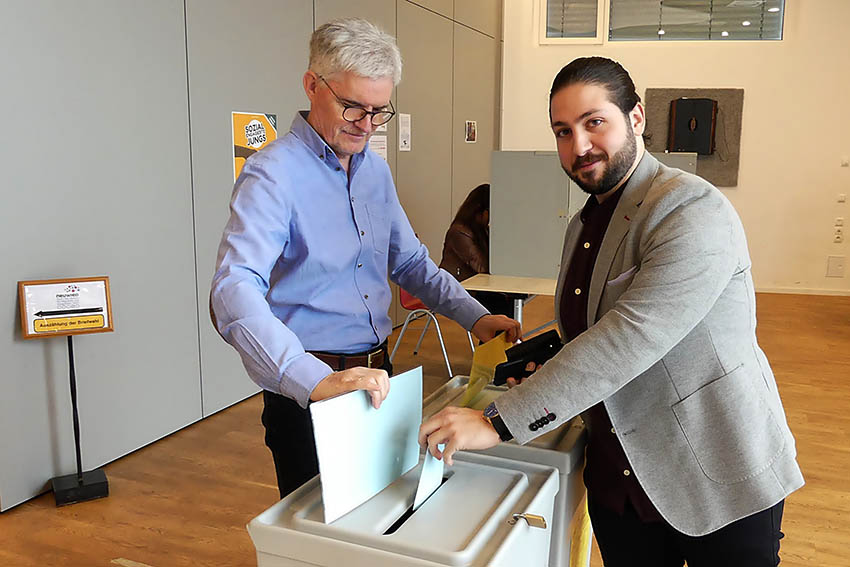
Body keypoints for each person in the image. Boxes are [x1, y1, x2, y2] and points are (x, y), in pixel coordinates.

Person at [419, 57, 803, 566]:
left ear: (636, 118)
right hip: (620, 480)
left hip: (714, 471)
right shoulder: (585, 222)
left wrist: (497, 422)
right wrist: (546, 359)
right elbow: (592, 330)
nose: (578, 146)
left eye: (594, 122)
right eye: (562, 131)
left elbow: (631, 336)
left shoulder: (691, 209)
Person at [210, 18, 520, 499]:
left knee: (381, 514)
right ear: (313, 84)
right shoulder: (272, 175)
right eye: (353, 107)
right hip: (313, 390)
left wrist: (475, 318)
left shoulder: (374, 170)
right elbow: (233, 291)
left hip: (380, 375)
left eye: (379, 111)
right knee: (319, 536)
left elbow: (412, 263)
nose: (367, 125)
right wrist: (312, 381)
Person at [439, 184, 513, 317]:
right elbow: (482, 266)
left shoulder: (480, 230)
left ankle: (499, 337)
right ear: (481, 211)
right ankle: (495, 337)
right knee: (499, 303)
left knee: (508, 301)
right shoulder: (459, 232)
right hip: (456, 287)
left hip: (476, 286)